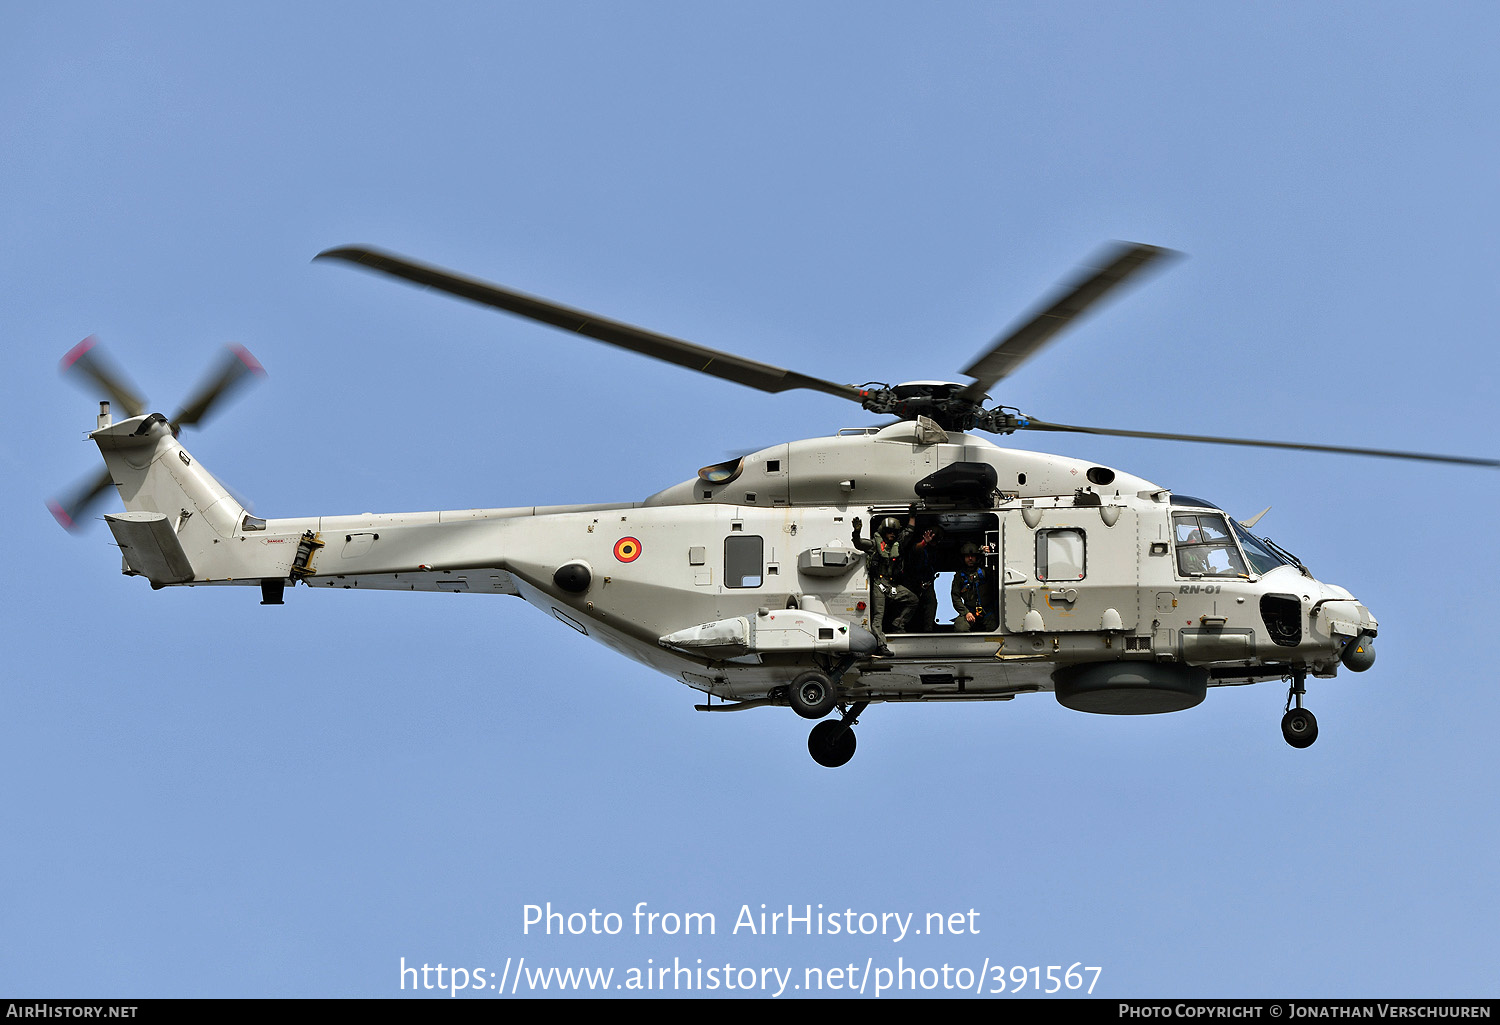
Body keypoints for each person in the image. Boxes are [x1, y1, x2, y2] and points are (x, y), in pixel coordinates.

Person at [851, 515, 918, 655]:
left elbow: (909, 532)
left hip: (892, 584)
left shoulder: (897, 545)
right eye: (889, 531)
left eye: (894, 532)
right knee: (878, 616)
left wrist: (912, 516)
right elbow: (858, 543)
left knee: (913, 600)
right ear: (883, 531)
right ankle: (881, 645)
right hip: (878, 584)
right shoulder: (874, 545)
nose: (892, 534)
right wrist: (856, 531)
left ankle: (898, 623)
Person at [897, 517, 939, 632]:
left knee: (931, 603)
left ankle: (928, 629)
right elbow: (916, 549)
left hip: (926, 583)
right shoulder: (919, 546)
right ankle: (900, 626)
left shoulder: (933, 551)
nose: (934, 543)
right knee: (910, 603)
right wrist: (925, 542)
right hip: (912, 582)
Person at [952, 542, 996, 632]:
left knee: (994, 627)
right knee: (960, 627)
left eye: (973, 556)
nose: (970, 559)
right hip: (970, 610)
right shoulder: (960, 576)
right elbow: (955, 596)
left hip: (987, 610)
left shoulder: (985, 571)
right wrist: (966, 612)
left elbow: (996, 571)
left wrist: (989, 554)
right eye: (967, 556)